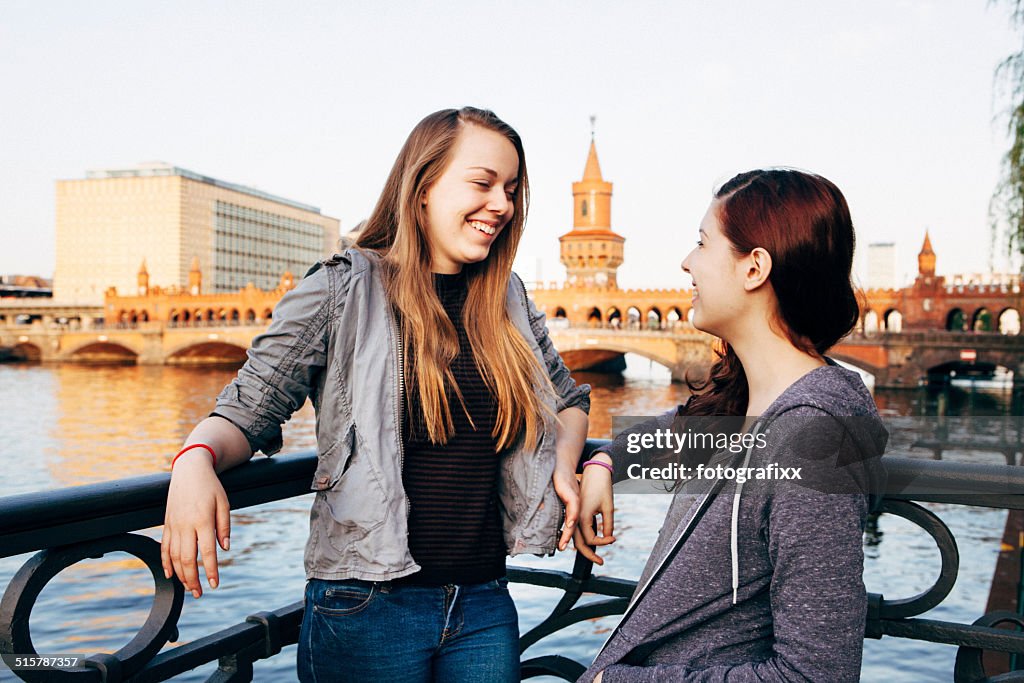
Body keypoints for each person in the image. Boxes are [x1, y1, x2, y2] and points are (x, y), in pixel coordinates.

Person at [160, 107, 593, 682]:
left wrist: (572, 463)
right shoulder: (340, 288)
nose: (503, 205)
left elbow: (569, 400)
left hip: (484, 601)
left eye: (511, 190)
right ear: (422, 188)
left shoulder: (506, 297)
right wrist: (194, 461)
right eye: (483, 183)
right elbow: (246, 411)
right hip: (367, 607)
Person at [576, 169, 887, 682]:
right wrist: (606, 461)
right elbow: (669, 429)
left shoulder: (812, 442)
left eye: (702, 243)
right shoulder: (747, 402)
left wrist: (620, 681)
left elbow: (816, 675)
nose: (686, 261)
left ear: (754, 269)